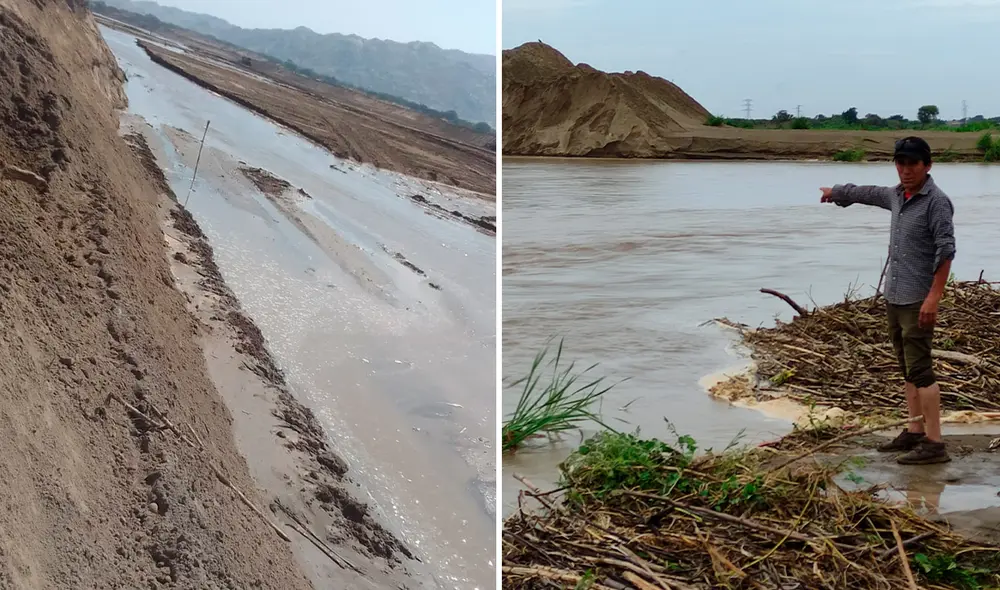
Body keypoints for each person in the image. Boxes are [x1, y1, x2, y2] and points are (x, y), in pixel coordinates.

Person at [819, 136, 956, 464]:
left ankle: (935, 445)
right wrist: (837, 193)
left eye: (912, 164)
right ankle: (914, 432)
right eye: (900, 163)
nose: (905, 170)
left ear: (927, 166)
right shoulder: (897, 196)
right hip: (894, 296)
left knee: (922, 371)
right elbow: (866, 193)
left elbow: (946, 250)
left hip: (917, 300)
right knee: (907, 370)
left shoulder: (936, 201)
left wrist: (933, 298)